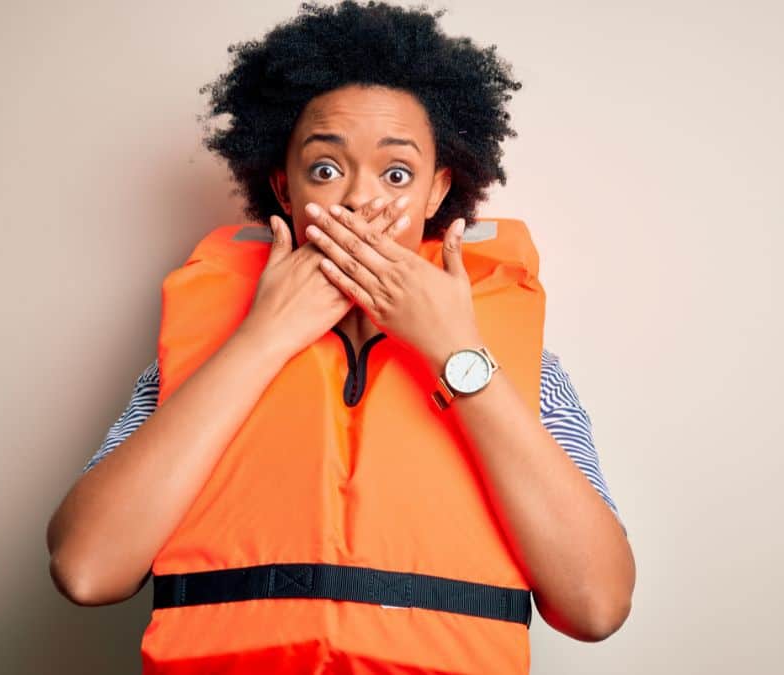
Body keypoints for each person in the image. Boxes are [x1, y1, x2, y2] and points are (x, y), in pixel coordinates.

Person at [47, 1, 635, 670]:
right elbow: (86, 568)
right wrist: (261, 340)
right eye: (325, 170)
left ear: (439, 191)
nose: (359, 200)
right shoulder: (198, 355)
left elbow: (596, 603)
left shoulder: (527, 370)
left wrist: (456, 352)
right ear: (284, 188)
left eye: (396, 174)